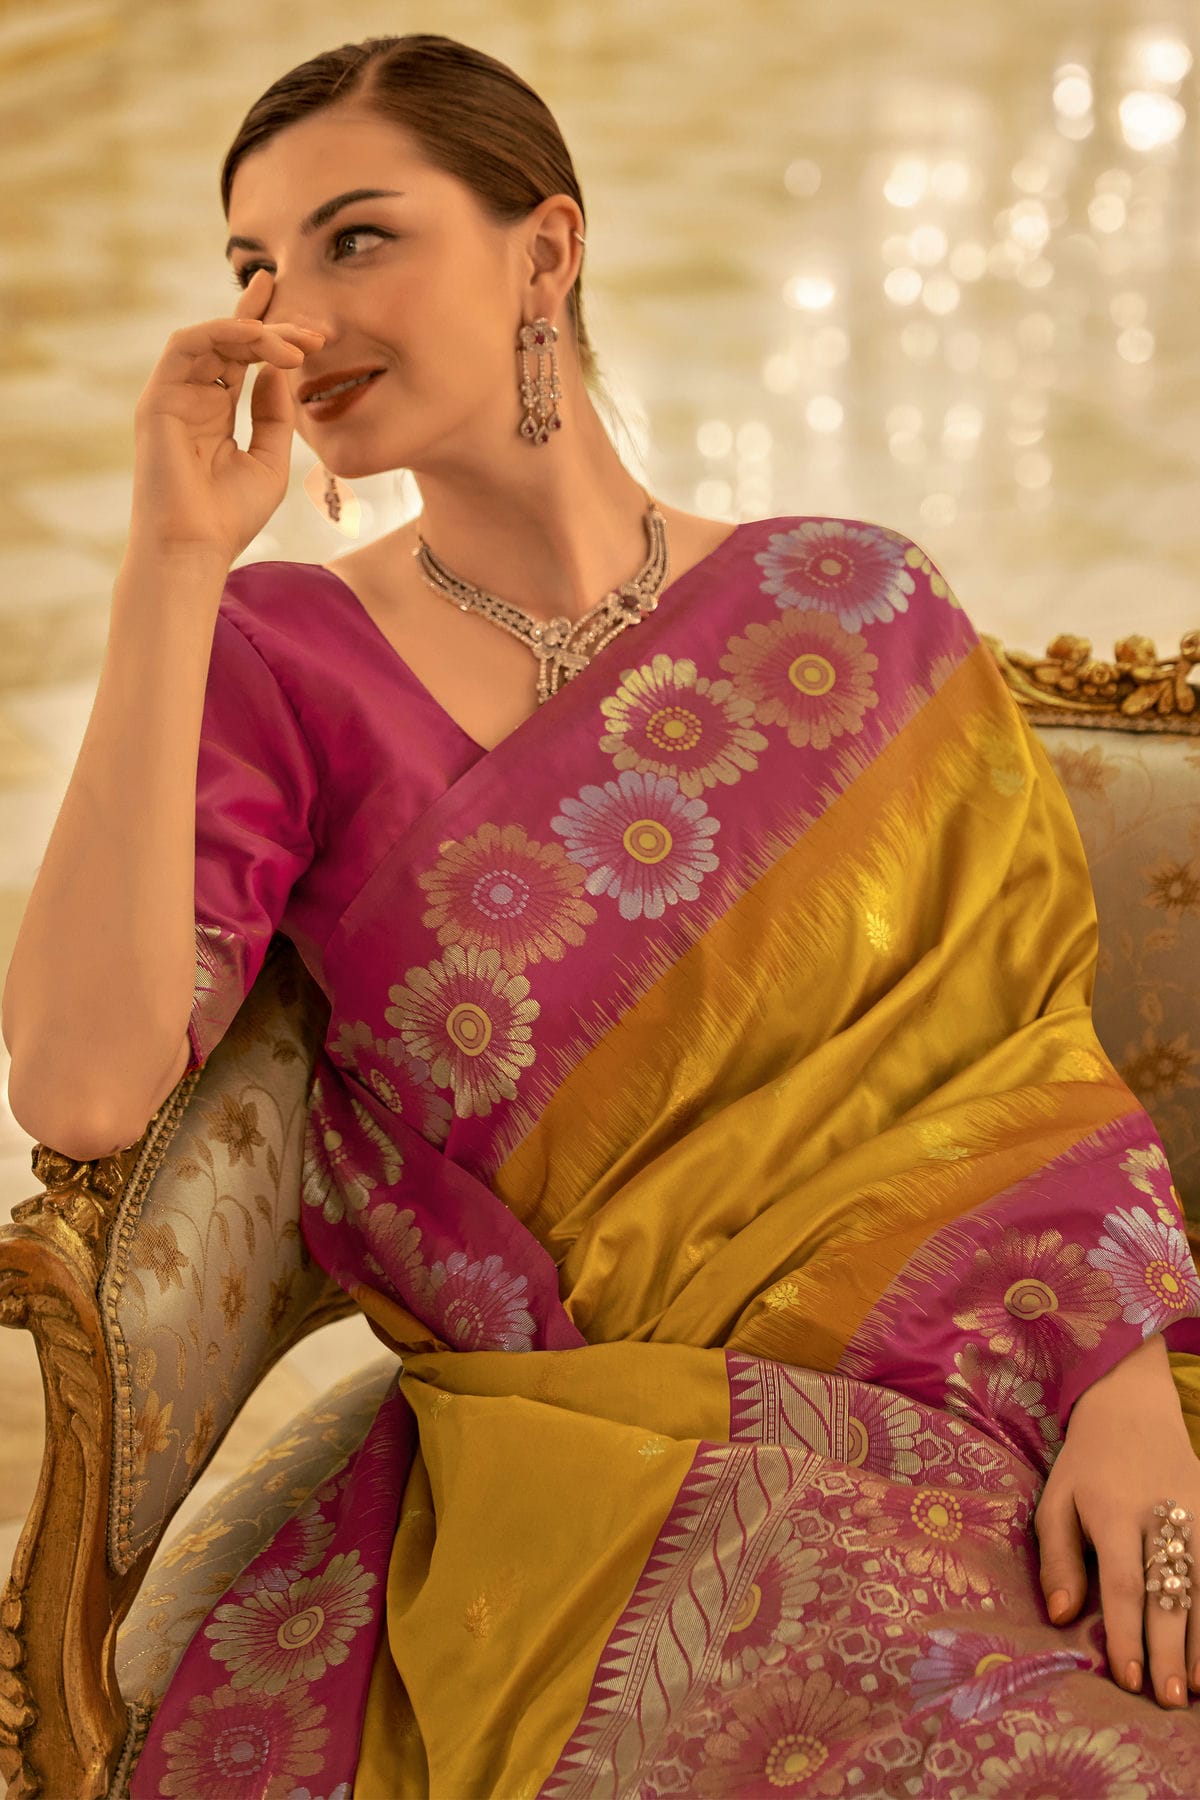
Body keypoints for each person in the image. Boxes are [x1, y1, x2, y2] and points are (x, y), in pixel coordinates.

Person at [7, 29, 1200, 1799]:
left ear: (546, 252)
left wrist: (1125, 1397)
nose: (293, 319)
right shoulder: (284, 664)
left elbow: (1018, 1071)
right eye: (253, 266)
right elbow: (83, 1089)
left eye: (356, 238)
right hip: (616, 1455)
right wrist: (174, 561)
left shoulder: (855, 607)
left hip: (1002, 1385)